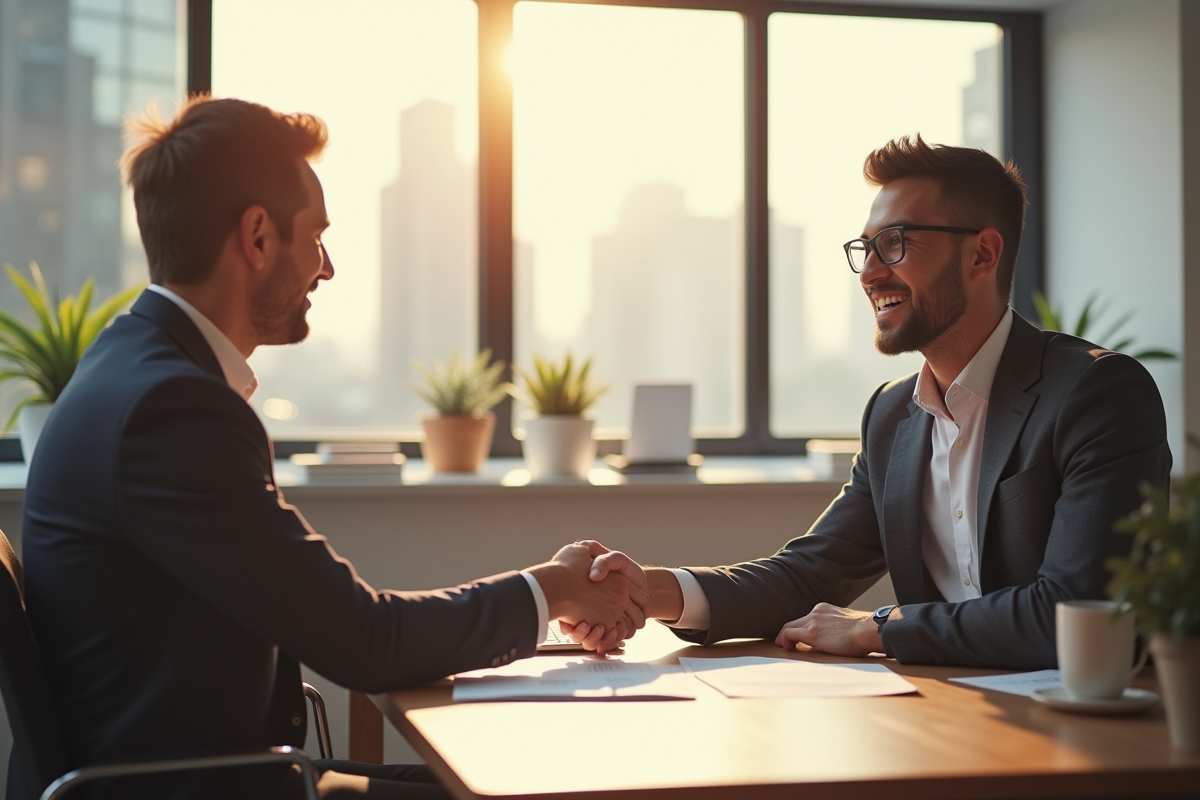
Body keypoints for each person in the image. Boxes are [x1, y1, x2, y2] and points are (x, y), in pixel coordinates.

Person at [18, 96, 646, 800]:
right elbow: (364, 641)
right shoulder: (172, 410)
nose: (328, 268)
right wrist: (557, 589)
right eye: (315, 236)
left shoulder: (130, 367)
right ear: (258, 239)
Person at [569, 135, 1172, 672]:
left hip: (1080, 737)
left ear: (982, 255)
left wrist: (877, 627)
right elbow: (803, 577)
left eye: (895, 243)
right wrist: (642, 590)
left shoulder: (1096, 393)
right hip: (942, 715)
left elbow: (1073, 612)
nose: (869, 272)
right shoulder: (892, 417)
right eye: (866, 248)